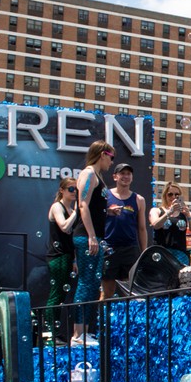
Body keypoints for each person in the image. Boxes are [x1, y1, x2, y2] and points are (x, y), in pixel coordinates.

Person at [73, 140, 114, 339]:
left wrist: (109, 212)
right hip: (86, 236)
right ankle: (78, 333)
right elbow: (82, 205)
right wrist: (91, 236)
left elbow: (96, 206)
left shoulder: (98, 177)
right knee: (85, 283)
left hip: (96, 236)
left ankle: (86, 332)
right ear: (102, 154)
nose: (111, 162)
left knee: (93, 284)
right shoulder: (88, 173)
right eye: (111, 157)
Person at [100, 163, 148, 299]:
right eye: (122, 173)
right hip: (109, 248)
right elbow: (96, 218)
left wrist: (144, 252)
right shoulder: (106, 196)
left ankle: (128, 320)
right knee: (107, 292)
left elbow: (142, 228)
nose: (126, 176)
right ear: (115, 177)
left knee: (131, 292)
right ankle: (103, 320)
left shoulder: (139, 199)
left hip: (130, 249)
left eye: (128, 174)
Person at [44, 177, 80, 342]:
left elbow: (71, 240)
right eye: (71, 189)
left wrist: (73, 261)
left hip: (66, 256)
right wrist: (78, 212)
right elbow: (64, 227)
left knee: (60, 296)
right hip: (57, 256)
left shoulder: (71, 210)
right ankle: (49, 334)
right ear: (62, 191)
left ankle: (54, 333)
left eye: (76, 190)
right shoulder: (57, 207)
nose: (74, 193)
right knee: (56, 294)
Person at [150, 182, 191, 266]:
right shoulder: (157, 210)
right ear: (165, 196)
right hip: (162, 252)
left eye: (177, 195)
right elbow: (155, 225)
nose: (173, 197)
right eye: (170, 194)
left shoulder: (184, 212)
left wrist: (188, 215)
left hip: (180, 254)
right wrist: (169, 212)